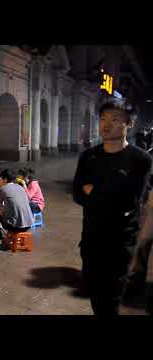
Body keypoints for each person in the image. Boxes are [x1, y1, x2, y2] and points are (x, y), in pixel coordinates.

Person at [73, 101, 152, 315]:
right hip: (91, 239)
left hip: (120, 241)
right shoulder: (88, 157)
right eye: (103, 119)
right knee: (96, 295)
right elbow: (78, 194)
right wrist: (108, 192)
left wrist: (94, 191)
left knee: (112, 298)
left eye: (115, 120)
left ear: (129, 124)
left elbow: (131, 199)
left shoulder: (140, 159)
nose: (106, 125)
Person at [0, 169, 34, 248]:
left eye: (0, 179)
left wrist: (2, 209)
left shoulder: (3, 189)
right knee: (1, 211)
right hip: (29, 223)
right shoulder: (21, 187)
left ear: (5, 179)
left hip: (15, 226)